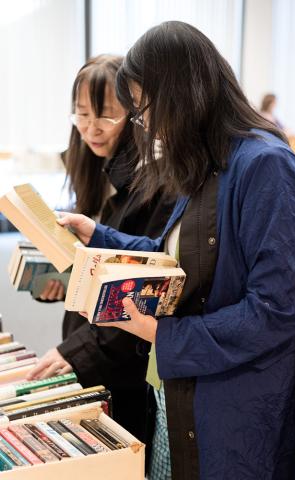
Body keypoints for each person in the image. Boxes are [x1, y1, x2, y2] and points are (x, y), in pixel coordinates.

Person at [56, 22, 295, 480]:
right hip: (187, 398)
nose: (146, 125)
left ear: (182, 93)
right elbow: (170, 256)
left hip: (243, 410)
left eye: (144, 110)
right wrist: (99, 236)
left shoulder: (265, 166)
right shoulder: (206, 164)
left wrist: (165, 336)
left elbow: (278, 310)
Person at [26, 54, 176, 445]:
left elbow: (139, 294)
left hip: (123, 370)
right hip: (89, 357)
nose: (90, 129)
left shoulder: (159, 187)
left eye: (105, 116)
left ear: (136, 115)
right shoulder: (91, 171)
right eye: (80, 115)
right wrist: (59, 280)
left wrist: (76, 353)